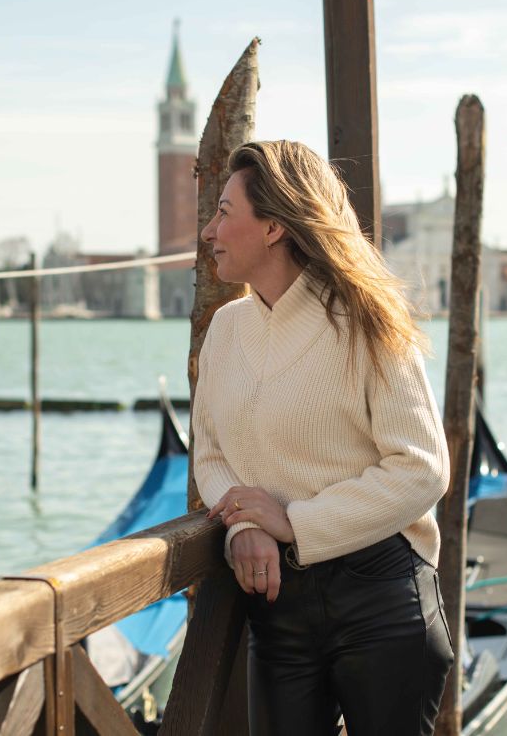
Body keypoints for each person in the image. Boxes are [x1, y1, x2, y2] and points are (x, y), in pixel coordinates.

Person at [193, 140, 454, 736]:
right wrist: (246, 522)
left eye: (225, 213)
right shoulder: (226, 330)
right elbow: (208, 453)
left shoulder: (367, 320)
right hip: (277, 609)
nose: (209, 230)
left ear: (275, 229)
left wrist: (296, 523)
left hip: (381, 602)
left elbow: (422, 467)